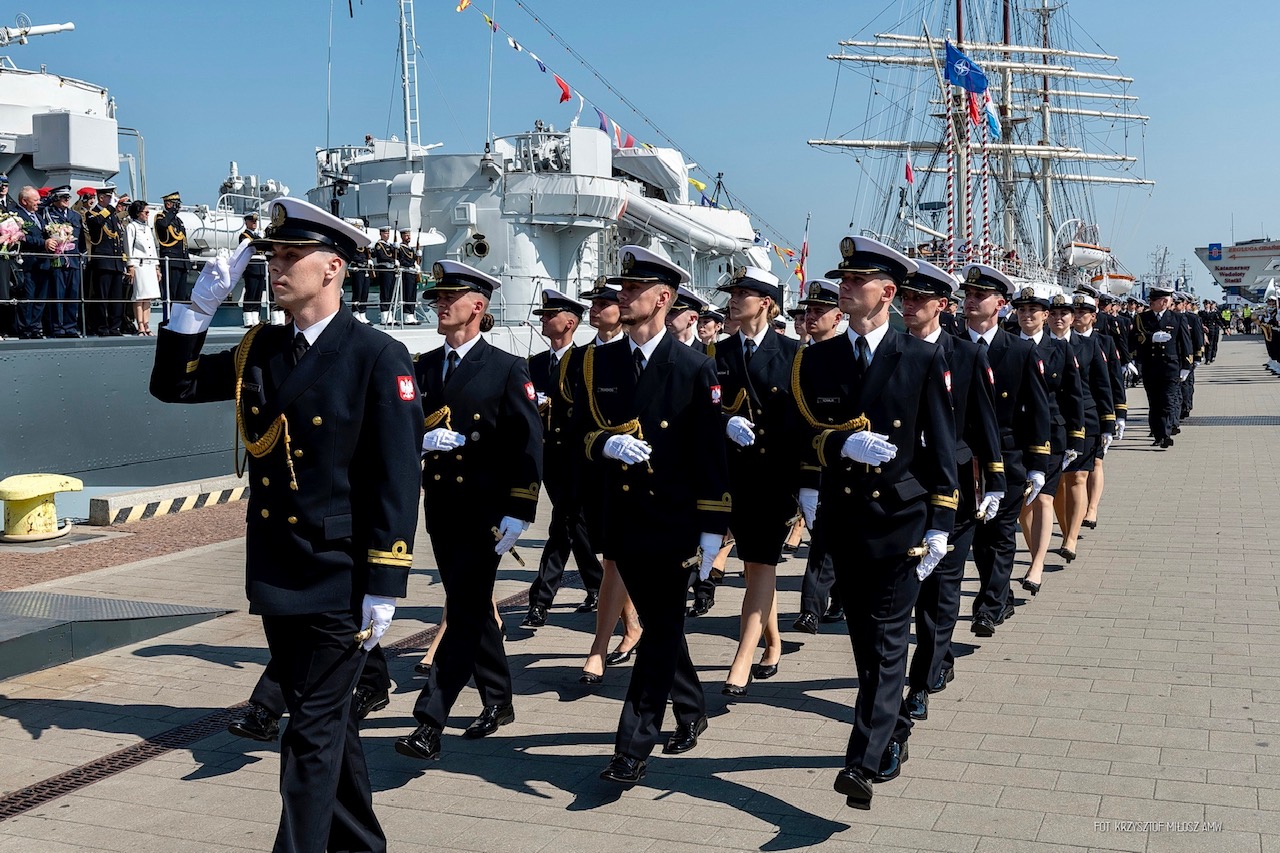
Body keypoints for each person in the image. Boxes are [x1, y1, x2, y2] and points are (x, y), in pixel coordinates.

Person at [150, 196, 423, 853]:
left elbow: (396, 475)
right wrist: (194, 312)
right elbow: (175, 386)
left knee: (311, 733)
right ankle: (360, 843)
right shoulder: (261, 348)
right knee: (325, 724)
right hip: (278, 568)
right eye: (272, 255)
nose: (276, 266)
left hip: (340, 575)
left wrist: (386, 582)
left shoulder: (377, 356)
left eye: (291, 256)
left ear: (333, 267)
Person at [789, 236, 957, 810]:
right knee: (865, 644)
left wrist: (941, 522)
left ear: (887, 293)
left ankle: (860, 762)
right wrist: (840, 445)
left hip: (899, 521)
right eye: (842, 280)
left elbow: (943, 450)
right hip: (843, 521)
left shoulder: (924, 357)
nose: (844, 288)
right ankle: (892, 730)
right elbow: (801, 435)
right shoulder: (818, 357)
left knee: (887, 642)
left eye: (856, 281)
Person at [576, 244, 729, 785]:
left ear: (663, 298)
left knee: (659, 630)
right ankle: (691, 707)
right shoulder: (600, 360)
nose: (623, 295)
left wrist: (713, 528)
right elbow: (577, 435)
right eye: (622, 287)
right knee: (665, 628)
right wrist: (604, 447)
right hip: (621, 517)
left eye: (635, 288)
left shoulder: (693, 367)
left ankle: (632, 746)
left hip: (673, 522)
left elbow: (711, 453)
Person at [395, 259, 542, 762]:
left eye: (449, 298)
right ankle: (498, 699)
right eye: (436, 297)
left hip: (486, 513)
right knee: (473, 606)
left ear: (477, 307)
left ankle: (429, 720)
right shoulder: (424, 366)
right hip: (442, 508)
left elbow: (528, 442)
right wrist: (419, 438)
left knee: (461, 612)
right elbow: (398, 427)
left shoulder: (505, 368)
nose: (439, 304)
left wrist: (520, 508)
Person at [899, 261, 1004, 723]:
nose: (909, 304)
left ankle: (920, 682)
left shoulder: (965, 355)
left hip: (953, 489)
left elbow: (985, 424)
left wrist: (995, 481)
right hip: (900, 489)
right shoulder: (892, 351)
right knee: (907, 590)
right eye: (905, 296)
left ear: (942, 305)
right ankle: (935, 659)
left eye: (920, 298)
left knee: (942, 589)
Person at [713, 265, 799, 695]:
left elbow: (803, 420)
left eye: (743, 293)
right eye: (733, 293)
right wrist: (725, 420)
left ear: (765, 303)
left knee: (762, 562)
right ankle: (774, 642)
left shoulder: (793, 353)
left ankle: (741, 659)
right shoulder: (720, 353)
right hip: (735, 475)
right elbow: (706, 407)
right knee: (753, 567)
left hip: (774, 478)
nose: (733, 299)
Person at [959, 264, 1051, 639]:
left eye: (978, 295)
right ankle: (1001, 594)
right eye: (967, 294)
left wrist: (1038, 465)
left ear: (999, 303)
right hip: (965, 458)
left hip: (1008, 456)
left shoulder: (1020, 351)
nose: (970, 301)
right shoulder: (951, 346)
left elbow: (1039, 410)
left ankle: (989, 607)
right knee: (979, 539)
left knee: (999, 534)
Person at [522, 286, 603, 626]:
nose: (543, 320)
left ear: (569, 323)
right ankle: (598, 584)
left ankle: (541, 598)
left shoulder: (585, 359)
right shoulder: (534, 363)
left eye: (550, 316)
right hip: (545, 454)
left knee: (566, 521)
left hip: (575, 456)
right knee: (571, 522)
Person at [576, 278, 644, 685]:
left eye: (607, 301)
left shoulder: (650, 356)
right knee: (612, 561)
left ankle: (600, 647)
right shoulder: (587, 359)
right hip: (602, 470)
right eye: (597, 301)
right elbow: (579, 420)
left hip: (647, 476)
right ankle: (630, 627)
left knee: (617, 562)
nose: (599, 307)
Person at [1012, 291, 1083, 595]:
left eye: (1033, 310)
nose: (1027, 314)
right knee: (1021, 505)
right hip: (1015, 434)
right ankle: (1034, 553)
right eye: (1022, 309)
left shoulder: (1060, 349)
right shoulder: (1006, 346)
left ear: (1045, 315)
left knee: (1043, 498)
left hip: (1051, 434)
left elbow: (1072, 395)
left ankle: (1037, 564)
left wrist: (1075, 439)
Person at [792, 278, 847, 634]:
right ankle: (811, 608)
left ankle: (836, 599)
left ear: (838, 316)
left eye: (820, 311)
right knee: (823, 539)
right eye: (808, 310)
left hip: (850, 463)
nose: (811, 317)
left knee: (838, 541)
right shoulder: (802, 358)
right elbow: (797, 420)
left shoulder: (849, 355)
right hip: (814, 466)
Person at [1052, 293, 1113, 564]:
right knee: (1057, 485)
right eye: (1058, 313)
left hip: (1085, 420)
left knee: (1077, 478)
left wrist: (1111, 421)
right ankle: (1066, 528)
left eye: (1069, 313)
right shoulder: (1038, 345)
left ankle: (1071, 538)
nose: (1066, 317)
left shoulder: (1089, 346)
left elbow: (1103, 385)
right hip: (1052, 421)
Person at [1129, 285, 1191, 449]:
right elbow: (1134, 338)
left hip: (1170, 367)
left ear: (1164, 302)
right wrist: (1151, 337)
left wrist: (1187, 365)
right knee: (1154, 403)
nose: (1150, 303)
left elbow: (1185, 343)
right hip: (1150, 366)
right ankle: (1157, 434)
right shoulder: (1142, 318)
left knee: (1168, 401)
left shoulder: (1177, 318)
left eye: (1154, 300)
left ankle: (1165, 434)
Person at [43, 186, 86, 338]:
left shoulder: (75, 216)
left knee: (72, 294)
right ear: (55, 199)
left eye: (68, 197)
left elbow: (81, 240)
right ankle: (58, 327)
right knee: (58, 294)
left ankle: (70, 326)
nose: (67, 200)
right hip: (58, 260)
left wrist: (81, 256)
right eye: (63, 198)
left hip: (73, 260)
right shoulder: (48, 214)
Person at [11, 186, 49, 339]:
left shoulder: (39, 216)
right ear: (24, 201)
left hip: (43, 262)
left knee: (40, 298)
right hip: (28, 263)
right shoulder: (17, 216)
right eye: (35, 200)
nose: (38, 203)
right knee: (28, 297)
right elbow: (22, 237)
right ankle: (25, 328)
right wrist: (44, 243)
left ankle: (35, 327)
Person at [124, 201, 160, 336]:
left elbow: (153, 248)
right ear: (138, 213)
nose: (147, 214)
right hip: (139, 265)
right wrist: (130, 266)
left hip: (150, 265)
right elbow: (128, 247)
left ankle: (146, 323)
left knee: (149, 296)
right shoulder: (131, 227)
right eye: (145, 212)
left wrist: (157, 267)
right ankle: (140, 325)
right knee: (139, 296)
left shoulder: (147, 228)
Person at [154, 191, 192, 305]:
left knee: (181, 295)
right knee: (171, 293)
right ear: (168, 204)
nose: (178, 207)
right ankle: (168, 319)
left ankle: (178, 320)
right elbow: (163, 226)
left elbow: (183, 242)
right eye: (176, 204)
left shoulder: (178, 221)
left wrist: (186, 262)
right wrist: (172, 212)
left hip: (181, 261)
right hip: (171, 261)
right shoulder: (161, 217)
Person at [238, 213, 269, 327]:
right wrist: (260, 239)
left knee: (258, 294)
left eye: (255, 221)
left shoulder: (256, 235)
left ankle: (255, 318)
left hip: (260, 266)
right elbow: (252, 247)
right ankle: (248, 318)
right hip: (251, 267)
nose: (254, 223)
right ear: (246, 222)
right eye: (252, 221)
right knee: (251, 292)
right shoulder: (244, 235)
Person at [372, 227, 397, 325]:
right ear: (381, 234)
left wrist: (395, 249)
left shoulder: (389, 245)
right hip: (384, 270)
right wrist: (392, 260)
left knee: (391, 293)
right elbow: (382, 256)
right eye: (385, 233)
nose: (387, 235)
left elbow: (396, 255)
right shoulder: (379, 245)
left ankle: (390, 315)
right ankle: (384, 316)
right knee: (385, 293)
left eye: (388, 233)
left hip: (391, 270)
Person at [347, 227, 372, 324]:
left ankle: (362, 313)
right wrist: (364, 261)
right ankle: (356, 313)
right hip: (357, 269)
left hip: (365, 270)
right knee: (358, 291)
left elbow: (369, 254)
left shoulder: (364, 245)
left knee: (364, 293)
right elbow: (353, 256)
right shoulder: (352, 243)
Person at [396, 228, 421, 324]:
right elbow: (402, 260)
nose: (408, 237)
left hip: (412, 273)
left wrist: (418, 256)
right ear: (402, 236)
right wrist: (412, 264)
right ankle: (407, 316)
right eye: (406, 235)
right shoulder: (401, 248)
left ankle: (411, 314)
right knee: (407, 294)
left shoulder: (410, 248)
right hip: (406, 273)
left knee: (412, 294)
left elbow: (416, 260)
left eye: (409, 235)